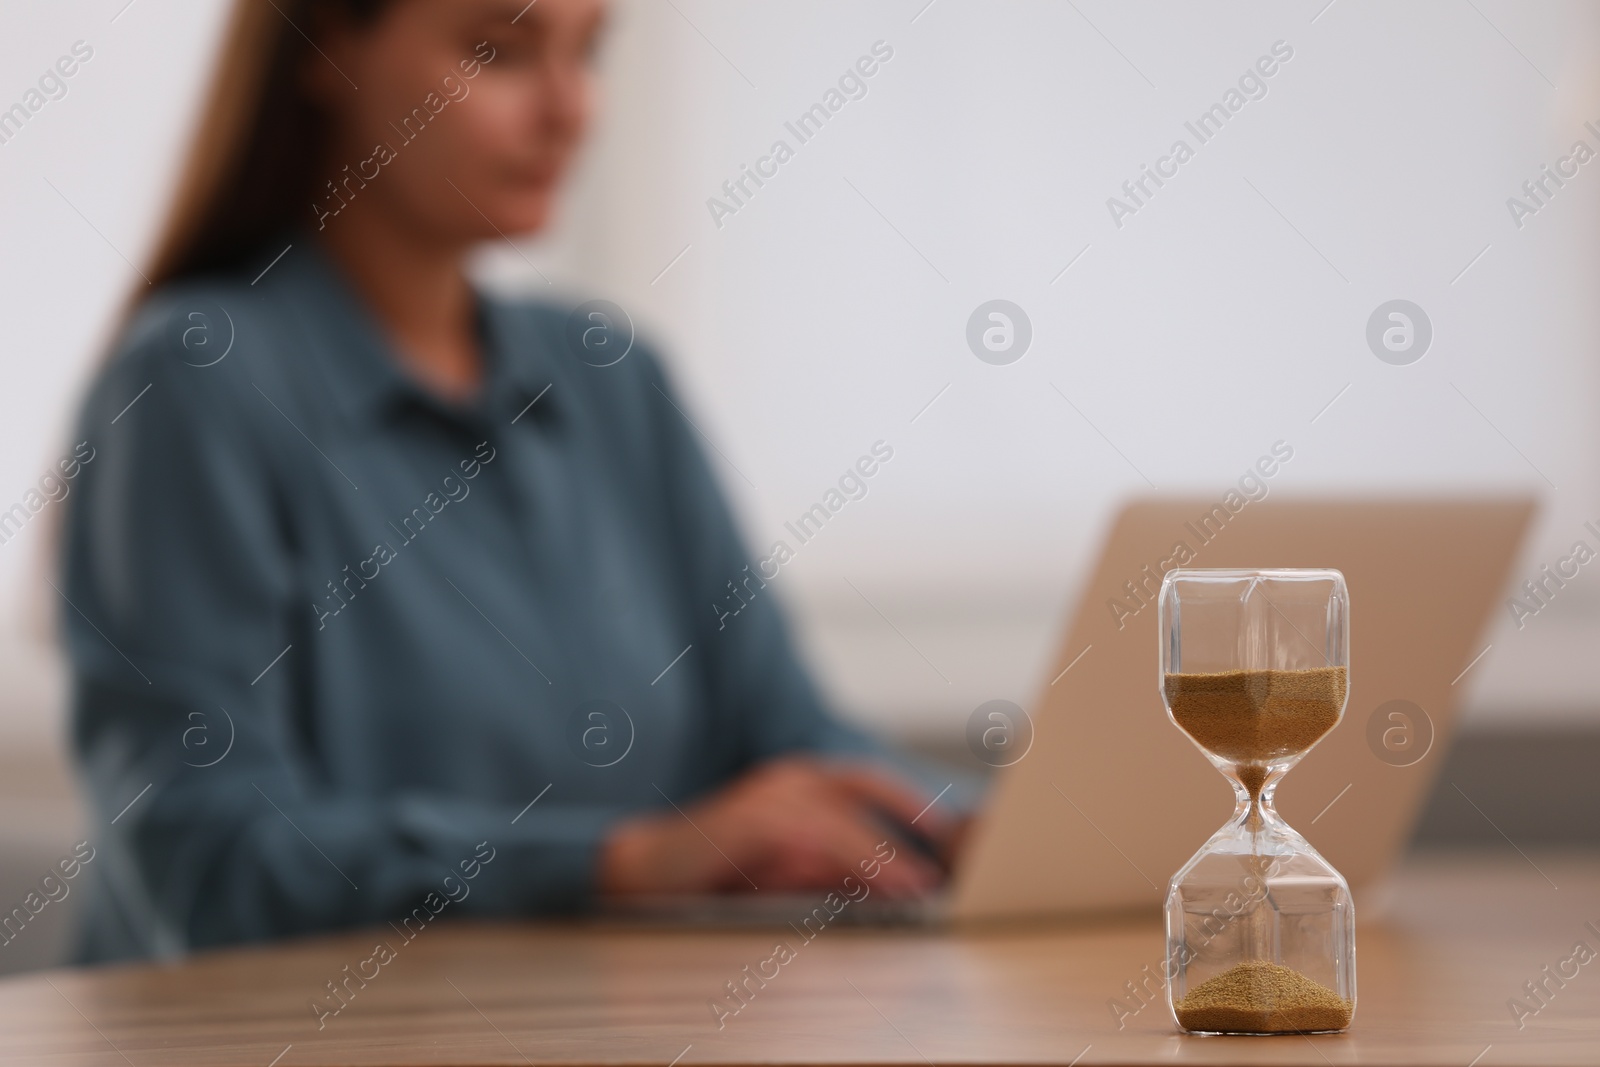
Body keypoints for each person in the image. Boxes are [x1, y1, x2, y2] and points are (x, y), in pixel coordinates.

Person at [60, 0, 960, 963]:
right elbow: (213, 863)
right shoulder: (198, 379)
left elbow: (790, 739)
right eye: (500, 51)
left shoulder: (613, 376)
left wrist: (984, 829)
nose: (572, 109)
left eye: (590, 52)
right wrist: (624, 862)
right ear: (325, 47)